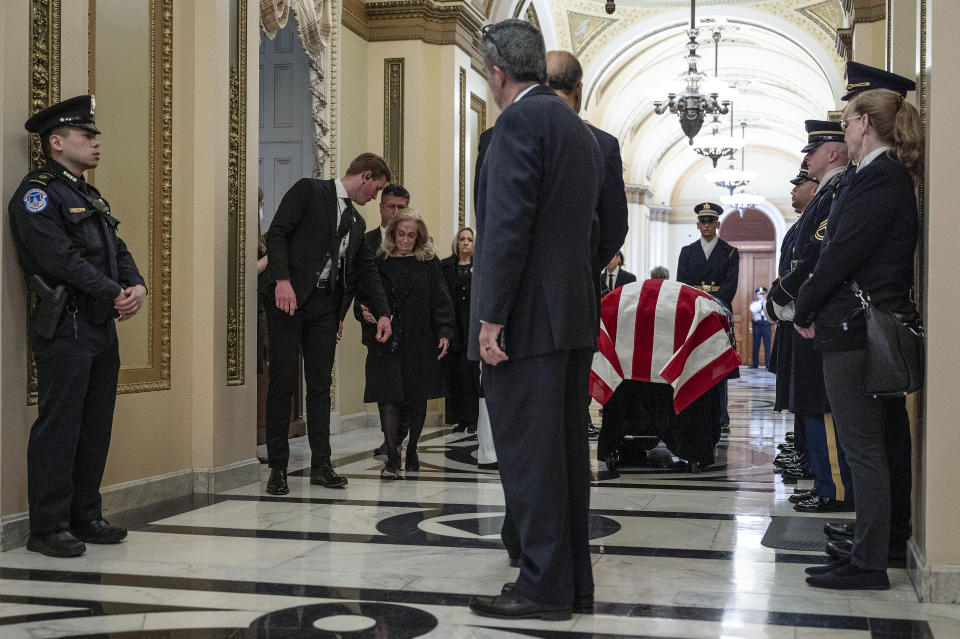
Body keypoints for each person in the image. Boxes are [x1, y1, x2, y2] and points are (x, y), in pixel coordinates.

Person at [467, 19, 603, 621]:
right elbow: (594, 231)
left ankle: (542, 590)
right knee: (567, 459)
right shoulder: (577, 129)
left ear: (497, 74)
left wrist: (491, 317)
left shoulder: (517, 123)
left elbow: (506, 229)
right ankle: (570, 584)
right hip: (569, 317)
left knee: (530, 460)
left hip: (526, 324)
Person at [795, 62, 921, 590]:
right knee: (878, 443)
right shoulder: (877, 176)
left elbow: (841, 253)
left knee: (863, 448)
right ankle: (875, 546)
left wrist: (803, 306)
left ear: (865, 123)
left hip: (856, 330)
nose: (843, 131)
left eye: (847, 121)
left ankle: (869, 563)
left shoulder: (880, 177)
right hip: (861, 326)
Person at [8, 95, 147, 557]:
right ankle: (48, 526)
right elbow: (59, 259)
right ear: (56, 141)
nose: (95, 142)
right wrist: (113, 291)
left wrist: (136, 286)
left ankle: (85, 515)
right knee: (60, 426)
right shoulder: (38, 194)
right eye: (86, 135)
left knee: (95, 425)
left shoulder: (88, 194)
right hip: (65, 326)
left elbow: (118, 247)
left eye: (94, 134)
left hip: (98, 325)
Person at [262, 153, 393, 495]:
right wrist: (282, 281)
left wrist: (383, 313)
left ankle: (322, 464)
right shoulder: (310, 190)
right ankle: (278, 468)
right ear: (365, 176)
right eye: (375, 189)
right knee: (284, 381)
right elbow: (277, 233)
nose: (374, 198)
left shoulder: (357, 223)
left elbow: (366, 274)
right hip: (287, 301)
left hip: (324, 308)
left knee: (321, 385)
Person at [770, 122, 855, 513]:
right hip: (807, 316)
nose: (807, 159)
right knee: (809, 402)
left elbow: (816, 256)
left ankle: (834, 486)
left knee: (820, 405)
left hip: (817, 315)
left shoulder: (836, 191)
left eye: (813, 150)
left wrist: (783, 294)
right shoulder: (827, 194)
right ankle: (824, 480)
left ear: (833, 152)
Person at [358, 211, 455, 477]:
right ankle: (391, 456)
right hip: (387, 340)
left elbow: (441, 300)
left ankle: (411, 448)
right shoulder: (380, 261)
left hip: (421, 338)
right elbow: (365, 298)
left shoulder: (429, 263)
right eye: (401, 234)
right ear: (392, 234)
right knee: (388, 396)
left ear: (419, 237)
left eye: (411, 235)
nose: (405, 240)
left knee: (416, 397)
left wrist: (445, 331)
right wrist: (365, 314)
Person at [354, 184, 410, 460]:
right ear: (381, 208)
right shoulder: (366, 242)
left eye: (402, 208)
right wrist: (359, 312)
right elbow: (356, 287)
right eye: (391, 207)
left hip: (410, 331)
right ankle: (391, 441)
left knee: (407, 389)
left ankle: (398, 436)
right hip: (376, 329)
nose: (396, 212)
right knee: (384, 386)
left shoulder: (417, 241)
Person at [676, 202, 739, 429]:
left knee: (718, 365)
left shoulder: (730, 252)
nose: (706, 225)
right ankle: (694, 414)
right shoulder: (687, 252)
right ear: (697, 224)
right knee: (693, 364)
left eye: (711, 221)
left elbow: (730, 287)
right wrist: (698, 301)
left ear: (717, 224)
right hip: (693, 314)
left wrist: (711, 303)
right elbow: (682, 284)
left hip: (718, 314)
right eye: (703, 221)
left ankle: (721, 415)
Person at [441, 227, 481, 433]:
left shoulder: (481, 266)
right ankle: (458, 418)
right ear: (457, 243)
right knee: (453, 373)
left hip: (473, 327)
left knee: (470, 373)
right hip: (452, 326)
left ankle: (472, 418)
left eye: (470, 240)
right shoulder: (445, 266)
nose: (466, 243)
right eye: (462, 239)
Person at [750, 287, 771, 368]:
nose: (762, 295)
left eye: (763, 294)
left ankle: (768, 364)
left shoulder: (768, 303)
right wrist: (761, 304)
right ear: (757, 295)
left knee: (767, 345)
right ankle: (755, 364)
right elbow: (754, 309)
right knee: (756, 344)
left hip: (766, 325)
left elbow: (768, 313)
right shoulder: (754, 304)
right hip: (757, 325)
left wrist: (762, 309)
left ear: (766, 294)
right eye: (760, 294)